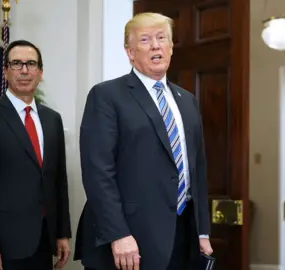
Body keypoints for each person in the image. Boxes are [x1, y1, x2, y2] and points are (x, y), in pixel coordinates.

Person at [74, 12, 213, 270]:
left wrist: (202, 231)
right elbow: (98, 172)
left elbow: (198, 169)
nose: (156, 45)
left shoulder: (188, 101)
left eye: (162, 38)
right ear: (130, 52)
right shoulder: (107, 96)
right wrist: (118, 234)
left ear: (171, 48)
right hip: (129, 241)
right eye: (146, 40)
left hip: (182, 239)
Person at [0, 39, 72, 270]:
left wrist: (62, 232)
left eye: (31, 64)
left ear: (40, 72)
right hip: (1, 245)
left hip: (44, 240)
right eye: (16, 64)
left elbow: (58, 179)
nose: (24, 70)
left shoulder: (52, 119)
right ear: (5, 71)